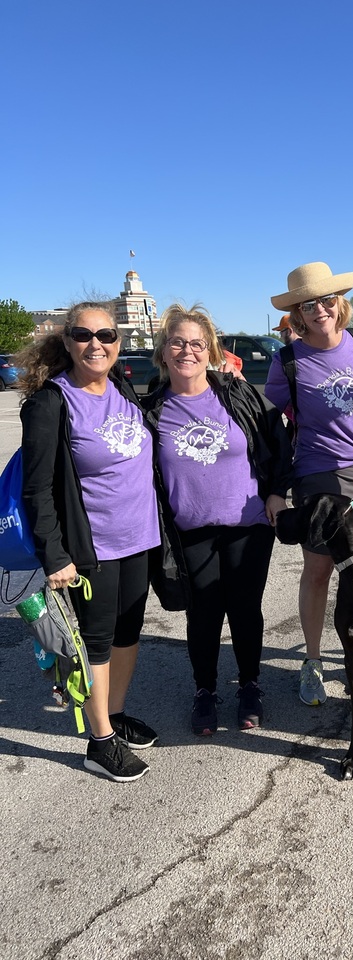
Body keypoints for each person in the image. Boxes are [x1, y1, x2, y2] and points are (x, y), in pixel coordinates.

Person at [18, 301, 160, 782]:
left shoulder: (121, 386)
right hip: (92, 548)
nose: (95, 344)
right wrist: (54, 555)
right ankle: (99, 743)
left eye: (106, 335)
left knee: (128, 633)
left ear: (118, 342)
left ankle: (113, 717)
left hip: (140, 538)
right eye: (83, 335)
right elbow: (37, 489)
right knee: (95, 644)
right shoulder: (50, 403)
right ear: (67, 342)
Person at [143, 304, 292, 736]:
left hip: (248, 523)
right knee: (203, 613)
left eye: (196, 343)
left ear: (210, 350)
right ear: (163, 350)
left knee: (245, 609)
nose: (187, 351)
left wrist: (277, 492)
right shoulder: (150, 409)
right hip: (190, 530)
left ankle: (250, 685)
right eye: (177, 342)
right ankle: (205, 689)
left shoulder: (237, 394)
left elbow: (279, 438)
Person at [265, 261, 353, 707]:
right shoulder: (287, 361)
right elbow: (272, 422)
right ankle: (313, 661)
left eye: (326, 300)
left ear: (339, 302)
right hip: (317, 474)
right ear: (297, 314)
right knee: (319, 569)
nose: (319, 309)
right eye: (308, 305)